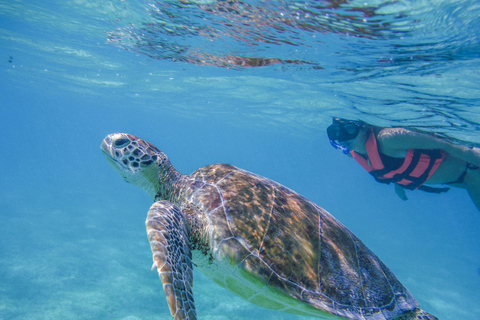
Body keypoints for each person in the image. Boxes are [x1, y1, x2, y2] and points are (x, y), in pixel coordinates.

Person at [327, 118, 480, 211]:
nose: (343, 138)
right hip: (460, 181)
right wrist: (398, 184)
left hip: (472, 170)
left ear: (364, 127)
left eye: (349, 130)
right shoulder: (353, 152)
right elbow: (392, 167)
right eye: (336, 132)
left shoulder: (388, 139)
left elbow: (448, 145)